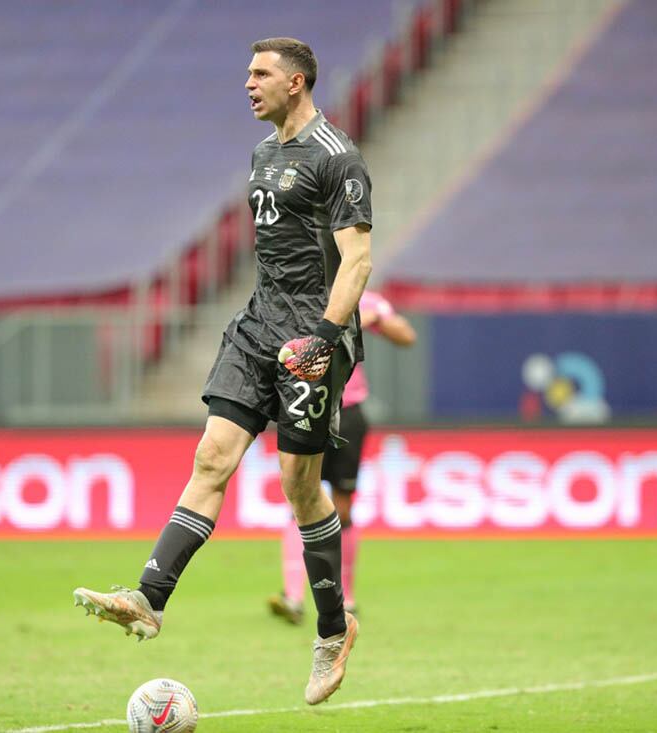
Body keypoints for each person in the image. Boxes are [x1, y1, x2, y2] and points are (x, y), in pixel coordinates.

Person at [73, 37, 373, 707]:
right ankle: (148, 598)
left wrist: (324, 339)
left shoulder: (337, 158)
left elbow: (357, 262)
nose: (248, 83)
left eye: (261, 73)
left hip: (311, 338)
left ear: (296, 82)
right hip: (257, 327)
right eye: (247, 72)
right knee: (212, 457)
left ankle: (332, 630)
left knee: (300, 484)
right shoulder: (263, 154)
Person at [269, 290, 415, 625]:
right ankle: (293, 596)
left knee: (343, 505)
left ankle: (346, 598)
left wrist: (375, 318)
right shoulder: (298, 300)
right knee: (300, 500)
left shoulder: (363, 300)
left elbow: (406, 336)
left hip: (348, 413)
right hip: (307, 407)